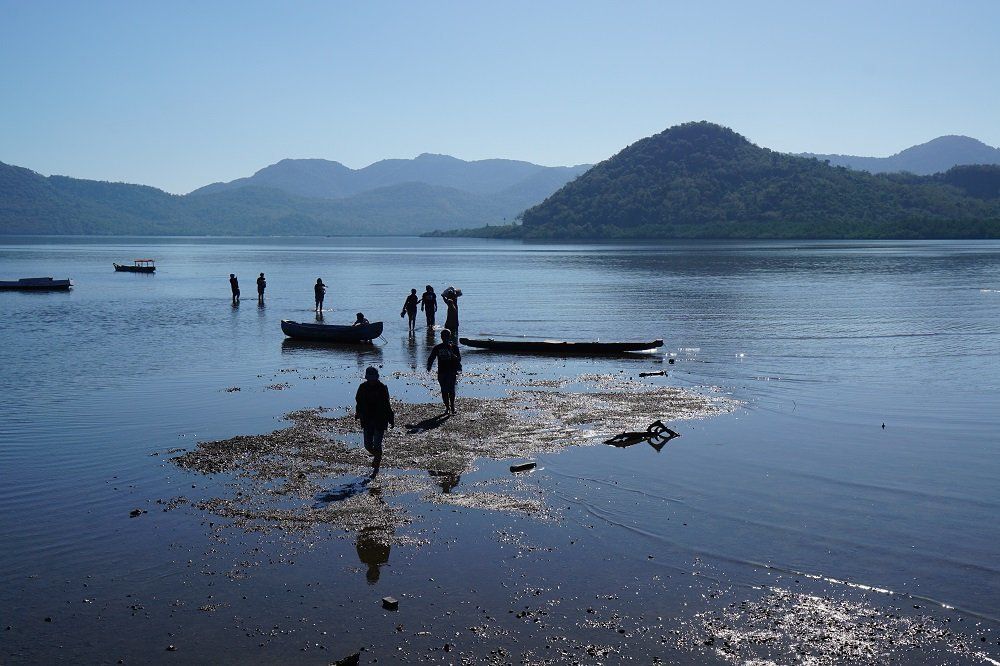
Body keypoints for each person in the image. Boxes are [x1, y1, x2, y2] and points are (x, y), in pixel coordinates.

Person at [355, 366, 394, 476]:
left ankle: (376, 467)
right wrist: (358, 413)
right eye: (370, 378)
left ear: (377, 377)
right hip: (367, 420)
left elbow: (387, 404)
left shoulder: (382, 388)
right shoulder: (362, 387)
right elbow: (358, 401)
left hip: (380, 420)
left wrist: (391, 419)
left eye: (374, 378)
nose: (372, 381)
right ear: (367, 378)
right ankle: (377, 456)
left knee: (377, 444)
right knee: (367, 446)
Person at [427, 329, 462, 414]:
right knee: (444, 390)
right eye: (444, 336)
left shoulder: (454, 347)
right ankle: (447, 407)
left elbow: (459, 359)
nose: (445, 338)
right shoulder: (437, 347)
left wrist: (451, 353)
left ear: (449, 337)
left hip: (451, 371)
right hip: (442, 372)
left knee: (451, 390)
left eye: (447, 336)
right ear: (441, 337)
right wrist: (429, 366)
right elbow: (431, 357)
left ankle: (452, 407)